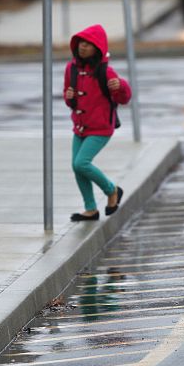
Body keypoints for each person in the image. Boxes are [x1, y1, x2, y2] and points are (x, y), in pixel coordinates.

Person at [64, 24, 132, 221]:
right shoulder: (72, 69)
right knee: (76, 166)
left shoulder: (106, 71)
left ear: (98, 48)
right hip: (80, 126)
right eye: (80, 44)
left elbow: (124, 98)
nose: (83, 47)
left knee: (81, 163)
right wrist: (69, 96)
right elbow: (70, 99)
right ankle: (91, 209)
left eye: (88, 44)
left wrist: (121, 86)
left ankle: (112, 190)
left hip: (101, 128)